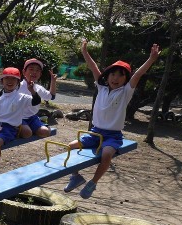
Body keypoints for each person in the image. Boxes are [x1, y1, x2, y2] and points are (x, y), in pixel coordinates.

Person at [64, 39, 160, 199]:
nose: (116, 78)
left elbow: (138, 74)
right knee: (70, 146)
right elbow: (93, 67)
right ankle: (75, 176)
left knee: (106, 154)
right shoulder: (101, 87)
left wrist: (151, 59)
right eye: (113, 74)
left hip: (112, 135)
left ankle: (93, 183)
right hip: (94, 132)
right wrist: (84, 52)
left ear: (126, 79)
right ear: (107, 76)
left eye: (121, 76)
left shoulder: (125, 92)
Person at [18, 58, 57, 139]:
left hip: (32, 117)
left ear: (40, 74)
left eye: (38, 70)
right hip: (18, 117)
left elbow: (51, 96)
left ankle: (36, 124)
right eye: (31, 69)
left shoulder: (38, 88)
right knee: (27, 133)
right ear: (24, 72)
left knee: (45, 132)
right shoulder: (18, 86)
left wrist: (53, 81)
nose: (34, 72)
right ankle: (15, 127)